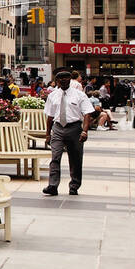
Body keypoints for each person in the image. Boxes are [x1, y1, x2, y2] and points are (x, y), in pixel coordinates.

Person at [43, 68, 96, 197]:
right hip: (58, 129)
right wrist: (48, 134)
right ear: (57, 81)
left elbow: (87, 113)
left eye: (66, 78)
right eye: (61, 79)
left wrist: (84, 131)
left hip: (74, 128)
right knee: (55, 157)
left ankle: (74, 185)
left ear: (70, 80)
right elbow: (50, 116)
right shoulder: (53, 95)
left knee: (75, 159)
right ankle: (53, 186)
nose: (63, 80)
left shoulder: (79, 95)